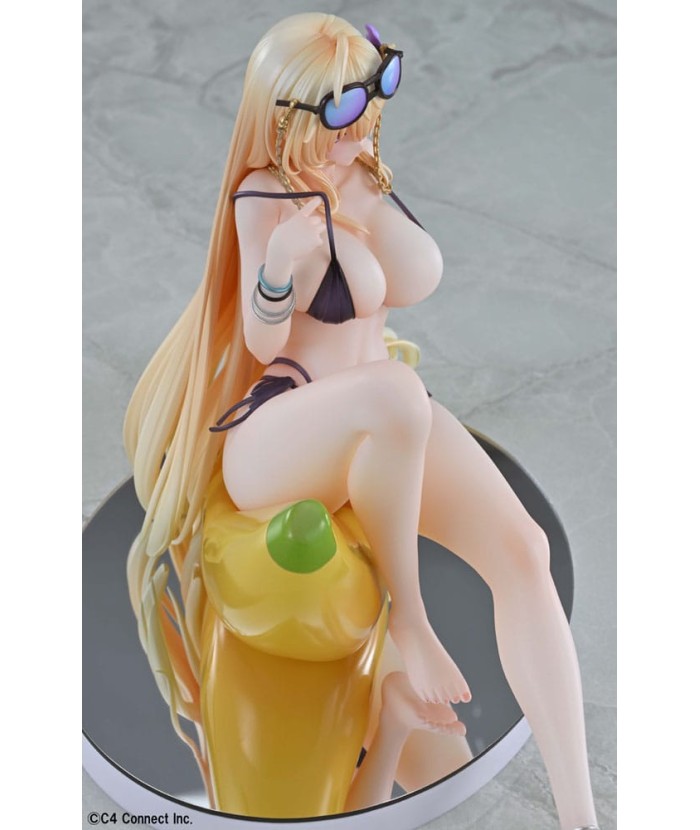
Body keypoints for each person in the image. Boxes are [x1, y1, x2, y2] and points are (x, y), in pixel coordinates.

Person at [125, 13, 599, 829]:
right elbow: (261, 341)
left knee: (526, 550)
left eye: (379, 87)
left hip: (381, 419)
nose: (366, 116)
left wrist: (359, 178)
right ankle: (412, 621)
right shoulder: (266, 195)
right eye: (344, 105)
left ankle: (581, 815)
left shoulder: (363, 169)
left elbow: (402, 282)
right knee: (397, 394)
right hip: (282, 435)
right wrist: (279, 267)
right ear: (285, 115)